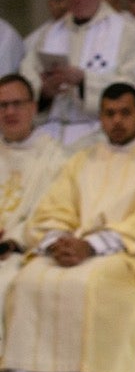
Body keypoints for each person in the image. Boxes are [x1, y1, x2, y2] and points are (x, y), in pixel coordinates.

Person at [1, 83, 135, 372]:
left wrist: (93, 246)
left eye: (125, 113)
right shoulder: (83, 160)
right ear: (100, 117)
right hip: (75, 250)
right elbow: (54, 209)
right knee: (30, 278)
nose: (117, 121)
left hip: (128, 256)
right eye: (109, 114)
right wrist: (57, 241)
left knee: (89, 281)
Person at [21, 0, 135, 145]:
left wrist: (83, 81)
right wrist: (44, 93)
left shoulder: (126, 32)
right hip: (49, 134)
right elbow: (26, 79)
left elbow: (134, 85)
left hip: (99, 135)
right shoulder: (50, 34)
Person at [0, 75, 67, 347]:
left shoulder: (55, 158)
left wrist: (12, 239)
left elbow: (50, 215)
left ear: (32, 107)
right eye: (2, 105)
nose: (9, 112)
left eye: (17, 104)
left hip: (19, 253)